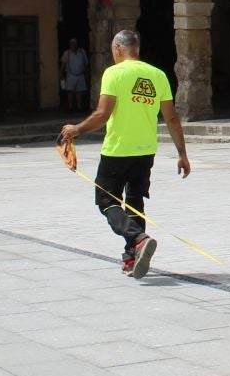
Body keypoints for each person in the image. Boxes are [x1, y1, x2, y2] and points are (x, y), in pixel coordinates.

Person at [58, 29, 189, 278]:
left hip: (117, 151)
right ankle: (132, 257)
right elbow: (172, 117)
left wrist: (77, 129)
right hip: (146, 151)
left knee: (107, 202)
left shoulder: (114, 73)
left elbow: (102, 114)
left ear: (118, 48)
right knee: (135, 203)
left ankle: (138, 239)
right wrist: (182, 153)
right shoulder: (158, 75)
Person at [60, 39, 90, 113]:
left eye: (74, 43)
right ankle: (70, 108)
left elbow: (85, 64)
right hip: (70, 76)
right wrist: (61, 74)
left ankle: (79, 107)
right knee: (70, 92)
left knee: (79, 91)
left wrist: (87, 74)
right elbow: (63, 64)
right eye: (72, 44)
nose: (73, 45)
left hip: (80, 75)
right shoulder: (67, 53)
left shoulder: (82, 52)